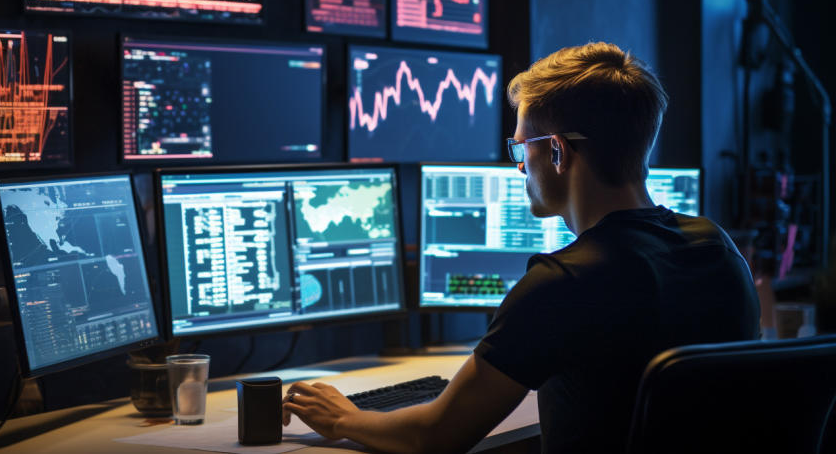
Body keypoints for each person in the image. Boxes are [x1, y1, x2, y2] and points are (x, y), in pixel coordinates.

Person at [282, 42, 760, 453]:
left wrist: (343, 417)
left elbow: (434, 437)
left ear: (557, 151)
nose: (518, 167)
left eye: (520, 147)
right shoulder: (718, 249)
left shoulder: (563, 283)